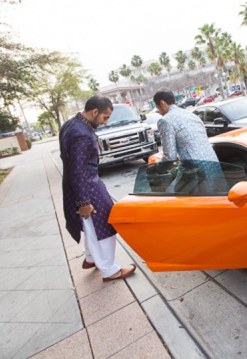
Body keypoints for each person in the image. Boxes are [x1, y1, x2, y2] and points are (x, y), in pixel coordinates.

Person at [59, 96, 136, 281]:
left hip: (79, 185)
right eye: (104, 118)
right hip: (87, 186)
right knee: (103, 225)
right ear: (95, 112)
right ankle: (110, 270)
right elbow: (78, 171)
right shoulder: (82, 134)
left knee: (91, 225)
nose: (105, 122)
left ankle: (90, 258)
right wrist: (84, 202)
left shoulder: (70, 124)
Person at [153, 88, 218, 162]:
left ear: (162, 103)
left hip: (195, 170)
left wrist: (156, 168)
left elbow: (170, 157)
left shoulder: (165, 121)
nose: (159, 112)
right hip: (214, 164)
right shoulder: (191, 115)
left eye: (158, 108)